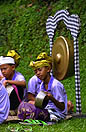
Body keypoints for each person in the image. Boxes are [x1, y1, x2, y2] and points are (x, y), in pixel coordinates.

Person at [18, 52, 67, 121]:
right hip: (46, 110)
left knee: (33, 112)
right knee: (23, 105)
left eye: (40, 70)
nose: (38, 73)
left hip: (56, 113)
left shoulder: (55, 85)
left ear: (48, 69)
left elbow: (62, 107)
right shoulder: (42, 85)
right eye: (35, 71)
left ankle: (50, 118)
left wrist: (51, 98)